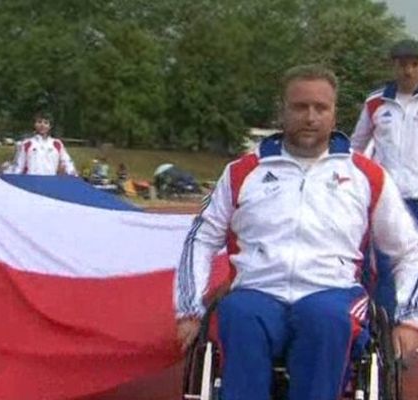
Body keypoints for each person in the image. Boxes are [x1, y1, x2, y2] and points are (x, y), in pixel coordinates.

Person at [174, 65, 418, 400]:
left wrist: (408, 318)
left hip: (332, 292)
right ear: (282, 111)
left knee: (326, 319)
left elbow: (409, 249)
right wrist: (188, 309)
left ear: (334, 114)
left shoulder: (366, 175)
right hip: (258, 291)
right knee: (238, 313)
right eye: (300, 106)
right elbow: (200, 237)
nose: (310, 116)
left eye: (321, 108)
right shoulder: (243, 172)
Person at [351, 39, 418, 316]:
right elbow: (356, 147)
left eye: (415, 65)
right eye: (403, 64)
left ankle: (410, 321)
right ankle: (383, 321)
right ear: (394, 65)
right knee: (383, 264)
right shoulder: (376, 102)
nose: (409, 71)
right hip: (386, 198)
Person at [14, 112, 77, 176]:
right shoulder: (27, 143)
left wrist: (73, 174)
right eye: (39, 122)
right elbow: (19, 166)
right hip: (30, 181)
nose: (42, 125)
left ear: (50, 126)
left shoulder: (57, 144)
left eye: (46, 123)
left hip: (50, 182)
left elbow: (67, 162)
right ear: (34, 124)